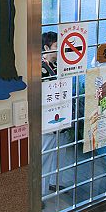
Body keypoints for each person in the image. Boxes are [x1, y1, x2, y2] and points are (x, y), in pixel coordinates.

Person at [41, 31, 58, 199]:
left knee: (55, 153)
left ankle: (50, 184)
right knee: (44, 156)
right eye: (56, 46)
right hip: (46, 119)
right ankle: (40, 194)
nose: (60, 49)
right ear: (46, 48)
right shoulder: (40, 68)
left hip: (60, 116)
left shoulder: (59, 65)